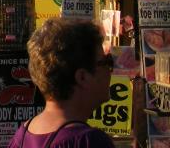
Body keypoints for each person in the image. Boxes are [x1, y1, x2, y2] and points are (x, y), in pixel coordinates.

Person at [9, 18, 115, 148]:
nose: (110, 71)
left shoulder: (21, 136)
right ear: (82, 77)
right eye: (107, 62)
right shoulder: (87, 141)